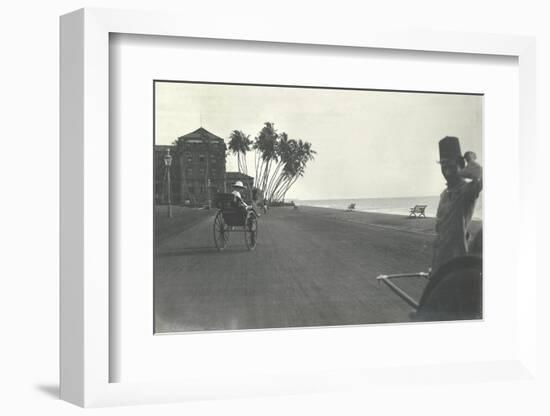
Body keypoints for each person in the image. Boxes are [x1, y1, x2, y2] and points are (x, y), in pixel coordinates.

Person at [431, 137, 482, 274]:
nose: (445, 168)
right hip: (439, 266)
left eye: (450, 163)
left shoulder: (467, 190)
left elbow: (480, 174)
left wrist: (470, 159)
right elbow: (439, 237)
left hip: (457, 265)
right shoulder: (444, 195)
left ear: (460, 164)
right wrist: (434, 266)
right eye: (443, 164)